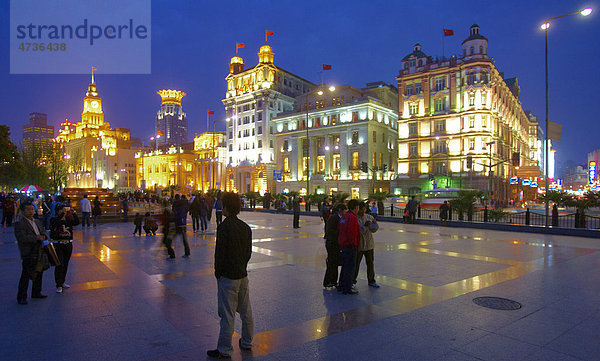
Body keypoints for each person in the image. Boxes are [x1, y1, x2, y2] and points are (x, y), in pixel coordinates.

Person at [207, 192, 253, 359]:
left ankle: (224, 349)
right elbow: (248, 253)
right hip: (242, 275)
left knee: (227, 314)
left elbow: (220, 254)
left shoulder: (224, 227)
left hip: (228, 277)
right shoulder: (245, 227)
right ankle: (247, 341)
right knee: (246, 310)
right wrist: (242, 266)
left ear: (226, 207)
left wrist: (218, 273)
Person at [15, 201, 48, 305]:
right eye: (28, 209)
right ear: (23, 211)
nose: (31, 211)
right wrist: (36, 238)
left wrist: (43, 237)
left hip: (39, 250)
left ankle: (36, 292)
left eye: (32, 209)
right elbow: (22, 238)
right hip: (28, 251)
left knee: (39, 271)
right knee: (26, 274)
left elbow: (42, 232)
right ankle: (22, 296)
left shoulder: (37, 221)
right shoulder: (20, 223)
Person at [50, 204, 80, 293]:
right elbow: (55, 224)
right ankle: (58, 284)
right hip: (59, 244)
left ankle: (62, 281)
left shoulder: (68, 220)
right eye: (62, 210)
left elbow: (77, 222)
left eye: (64, 210)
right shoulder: (54, 220)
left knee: (65, 264)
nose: (64, 212)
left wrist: (73, 212)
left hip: (68, 244)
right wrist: (61, 215)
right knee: (60, 264)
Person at [354, 202, 380, 288]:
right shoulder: (355, 219)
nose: (362, 211)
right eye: (360, 209)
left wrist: (374, 224)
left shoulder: (369, 217)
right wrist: (365, 226)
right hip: (360, 245)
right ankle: (352, 280)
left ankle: (371, 280)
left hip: (369, 245)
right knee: (356, 264)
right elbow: (357, 231)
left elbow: (374, 230)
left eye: (364, 209)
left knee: (370, 263)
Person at [337, 199, 360, 295]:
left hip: (343, 244)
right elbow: (352, 233)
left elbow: (340, 229)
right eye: (358, 207)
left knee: (345, 266)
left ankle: (341, 285)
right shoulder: (353, 217)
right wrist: (354, 244)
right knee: (350, 267)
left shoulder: (344, 216)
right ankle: (347, 288)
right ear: (355, 207)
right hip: (350, 246)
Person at [323, 203, 346, 288]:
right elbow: (329, 231)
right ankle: (327, 281)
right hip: (332, 243)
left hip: (336, 243)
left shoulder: (339, 217)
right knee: (331, 263)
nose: (345, 212)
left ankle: (333, 281)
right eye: (345, 210)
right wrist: (340, 232)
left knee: (335, 263)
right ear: (340, 210)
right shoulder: (333, 218)